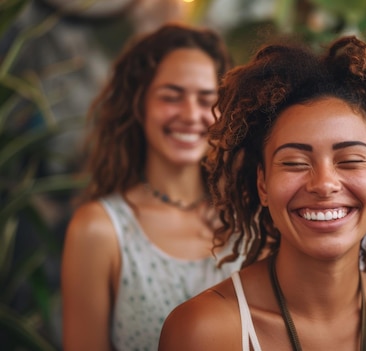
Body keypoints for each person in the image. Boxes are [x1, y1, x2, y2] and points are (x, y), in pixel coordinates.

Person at [158, 36, 366, 350]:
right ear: (263, 185)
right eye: (295, 162)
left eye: (349, 161)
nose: (324, 184)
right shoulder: (205, 330)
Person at [61, 23, 244, 351]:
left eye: (207, 100)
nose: (190, 114)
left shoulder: (249, 217)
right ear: (138, 105)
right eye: (171, 97)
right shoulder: (99, 230)